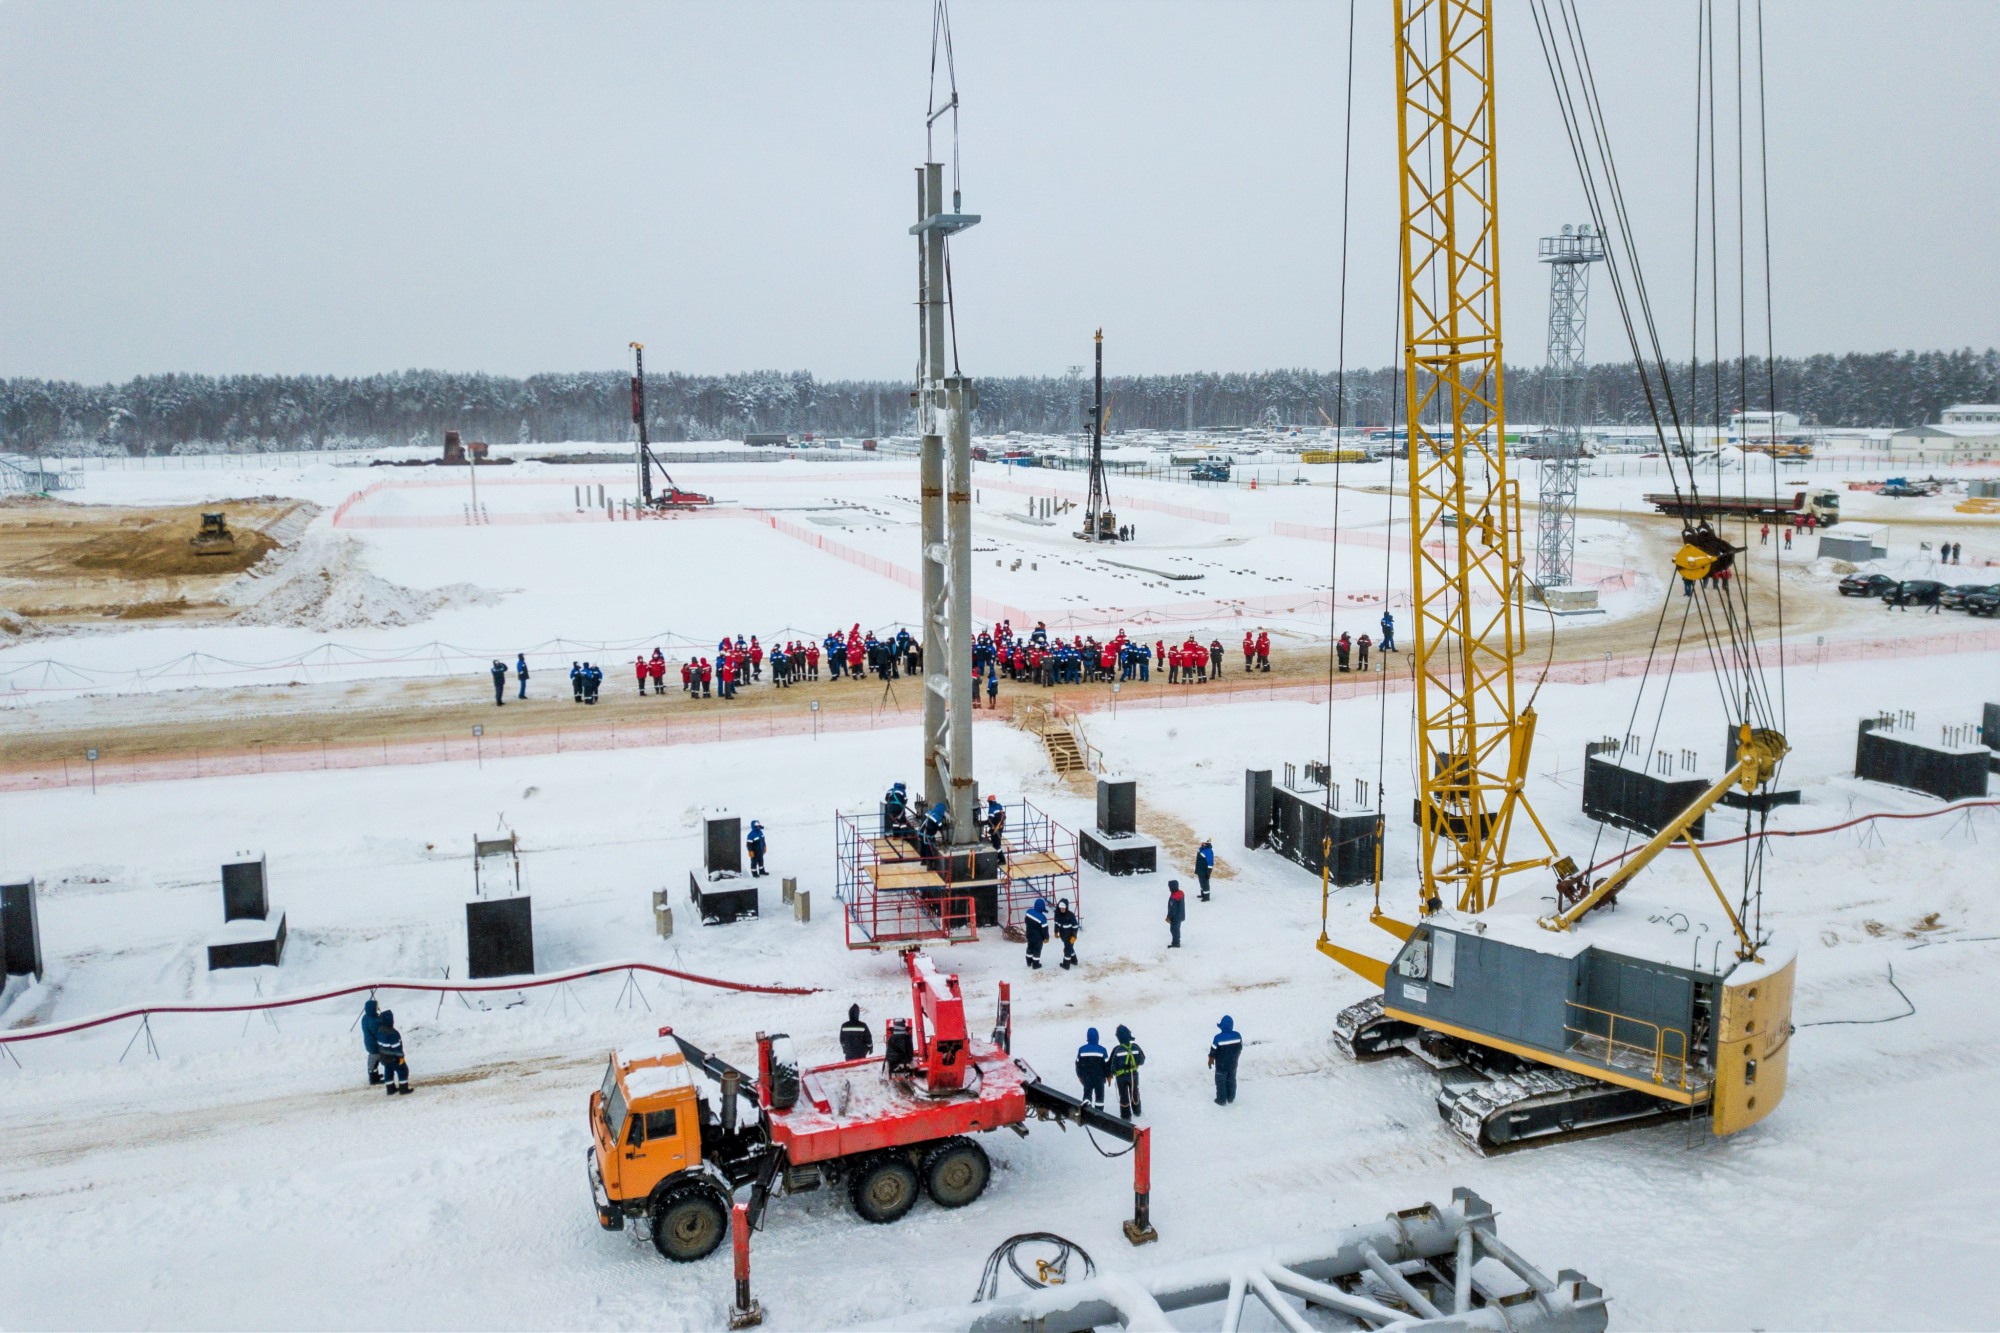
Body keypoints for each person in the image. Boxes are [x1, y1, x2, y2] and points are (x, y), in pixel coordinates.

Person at [1111, 1024, 1145, 1120]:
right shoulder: (1136, 1047)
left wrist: (1114, 1071)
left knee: (1124, 1095)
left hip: (1121, 1077)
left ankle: (1126, 1116)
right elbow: (1142, 1060)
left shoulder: (1117, 1050)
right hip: (1133, 1075)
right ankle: (1137, 1111)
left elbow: (1113, 1067)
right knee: (1135, 1093)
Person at [1208, 1015, 1243, 1105]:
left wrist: (1211, 1058)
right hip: (1233, 1064)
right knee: (1231, 1080)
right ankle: (1231, 1097)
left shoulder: (1218, 1038)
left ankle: (1221, 1099)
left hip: (1221, 1066)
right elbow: (1240, 1048)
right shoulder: (1238, 1036)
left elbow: (1213, 1051)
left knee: (1221, 1082)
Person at [376, 1008, 410, 1094]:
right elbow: (397, 1048)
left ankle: (390, 1089)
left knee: (388, 1071)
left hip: (384, 1057)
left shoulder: (379, 1030)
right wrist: (401, 1057)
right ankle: (403, 1088)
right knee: (403, 1070)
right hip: (394, 1058)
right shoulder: (393, 1033)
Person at [1075, 1027, 1109, 1109]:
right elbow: (1107, 1065)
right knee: (1099, 1098)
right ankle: (1099, 1114)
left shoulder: (1081, 1050)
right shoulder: (1102, 1050)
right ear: (1098, 1037)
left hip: (1087, 1077)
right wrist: (1108, 1075)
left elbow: (1077, 1064)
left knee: (1087, 1094)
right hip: (1099, 1078)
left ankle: (1087, 1111)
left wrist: (1079, 1075)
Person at [361, 996, 384, 1085]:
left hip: (369, 1042)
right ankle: (373, 1078)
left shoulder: (365, 1017)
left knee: (372, 1059)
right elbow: (377, 1033)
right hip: (374, 1044)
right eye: (376, 1006)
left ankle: (374, 1075)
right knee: (374, 1061)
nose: (378, 1008)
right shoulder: (374, 1021)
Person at [1023, 896, 1049, 970]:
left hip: (1029, 935)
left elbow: (1025, 921)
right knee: (1037, 950)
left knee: (1030, 947)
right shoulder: (1043, 918)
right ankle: (1036, 964)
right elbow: (1045, 930)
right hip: (1038, 938)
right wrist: (1046, 938)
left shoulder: (1028, 912)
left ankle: (1028, 961)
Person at [1053, 897, 1079, 969]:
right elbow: (1056, 924)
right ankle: (1074, 960)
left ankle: (1066, 965)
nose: (1062, 910)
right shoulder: (1057, 914)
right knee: (1070, 948)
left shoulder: (1071, 916)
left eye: (1064, 908)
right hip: (1063, 935)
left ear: (1066, 907)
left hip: (1070, 936)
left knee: (1067, 950)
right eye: (1061, 908)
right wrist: (1056, 931)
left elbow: (1075, 927)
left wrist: (1074, 936)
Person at [1166, 879, 1186, 947]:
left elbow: (1172, 909)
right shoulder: (1181, 893)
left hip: (1175, 917)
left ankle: (1176, 943)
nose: (1169, 888)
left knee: (1174, 929)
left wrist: (1168, 917)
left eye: (1169, 887)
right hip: (1181, 915)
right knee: (1177, 928)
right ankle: (1176, 941)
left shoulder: (1174, 897)